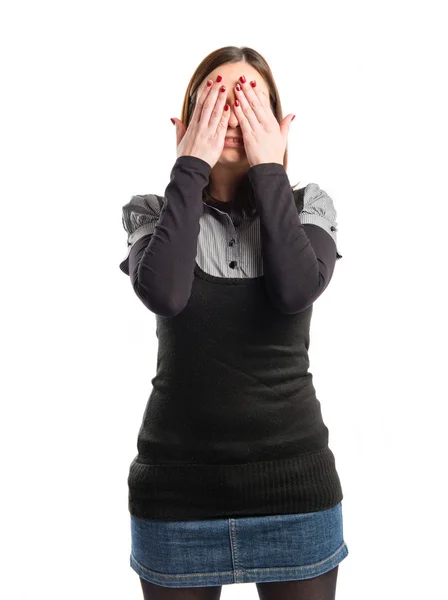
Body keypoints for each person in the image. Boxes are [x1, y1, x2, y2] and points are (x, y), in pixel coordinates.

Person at [119, 45, 348, 600]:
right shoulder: (150, 212)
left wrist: (270, 166)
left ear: (278, 123)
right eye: (215, 99)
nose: (231, 114)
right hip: (176, 496)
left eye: (249, 100)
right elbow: (165, 294)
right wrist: (190, 166)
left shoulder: (309, 205)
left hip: (295, 490)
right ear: (185, 120)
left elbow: (295, 290)